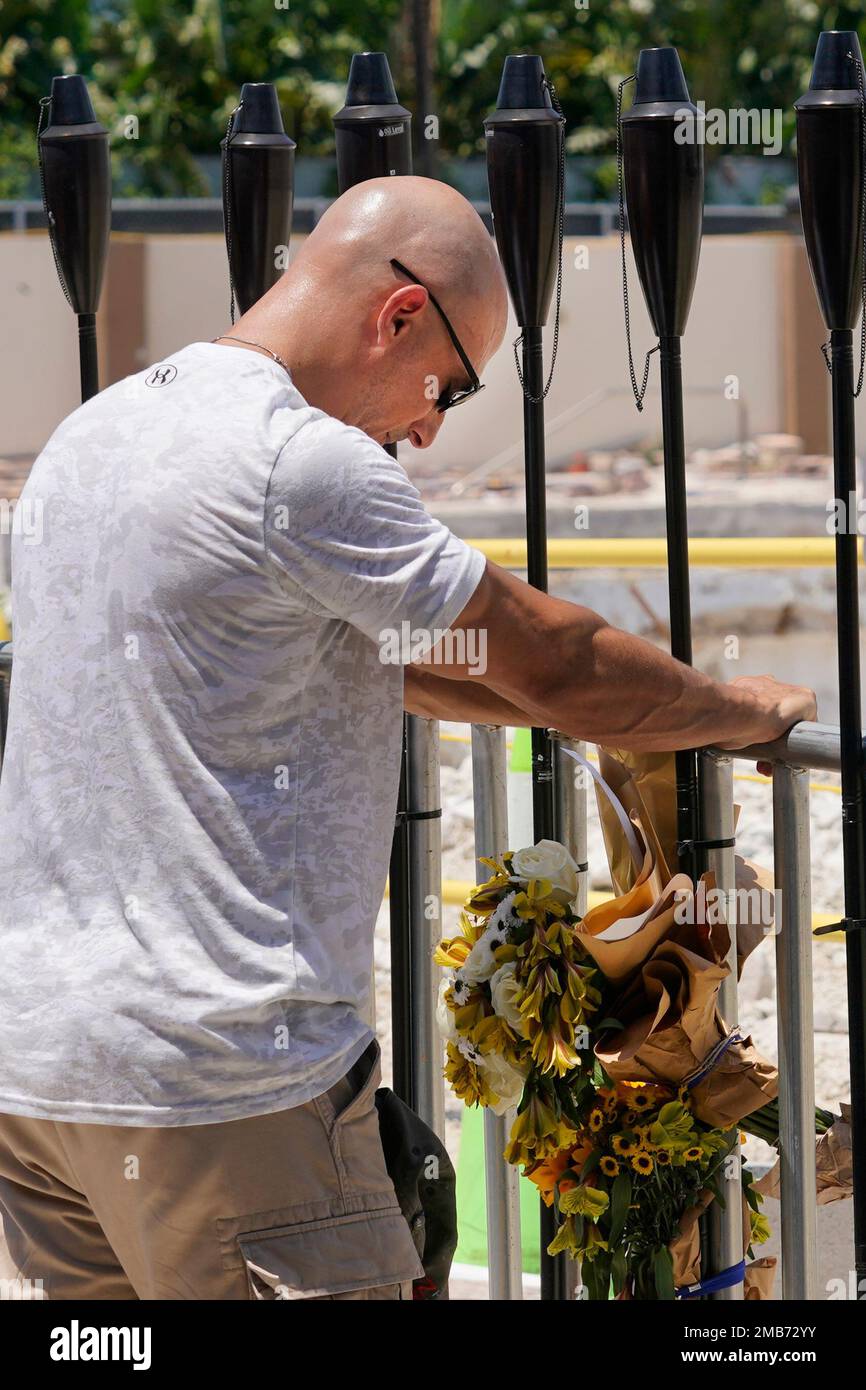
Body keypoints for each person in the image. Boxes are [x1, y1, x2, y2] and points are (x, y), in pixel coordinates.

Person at [0, 176, 815, 1300]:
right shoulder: (293, 460)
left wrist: (577, 705)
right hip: (221, 1085)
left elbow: (432, 667)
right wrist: (736, 709)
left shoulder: (91, 440)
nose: (428, 428)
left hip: (43, 1081)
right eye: (450, 384)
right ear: (397, 317)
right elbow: (549, 655)